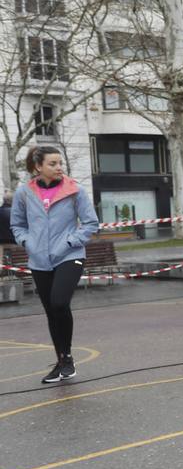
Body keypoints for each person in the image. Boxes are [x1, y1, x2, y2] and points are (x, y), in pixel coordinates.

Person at [10, 145, 99, 383]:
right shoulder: (24, 193)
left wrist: (70, 242)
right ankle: (62, 360)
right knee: (52, 311)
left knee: (60, 303)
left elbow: (91, 223)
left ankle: (67, 358)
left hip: (70, 255)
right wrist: (27, 241)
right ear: (38, 167)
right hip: (39, 260)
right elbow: (17, 225)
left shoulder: (74, 190)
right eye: (53, 164)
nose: (59, 167)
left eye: (60, 163)